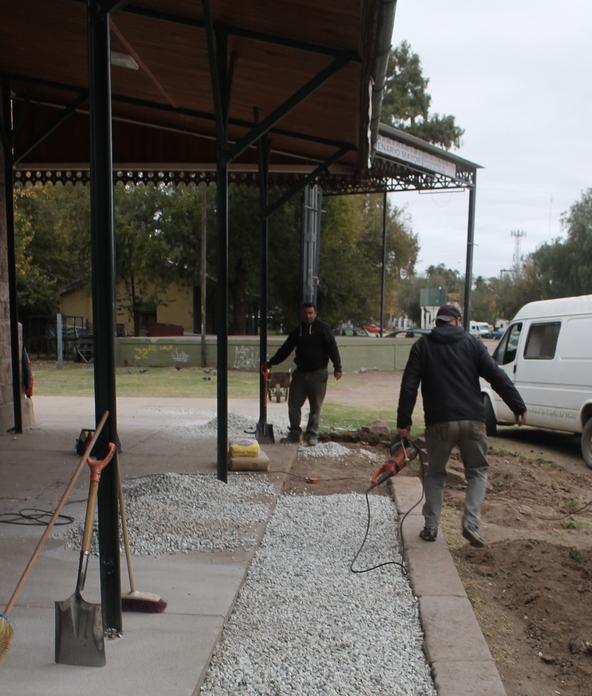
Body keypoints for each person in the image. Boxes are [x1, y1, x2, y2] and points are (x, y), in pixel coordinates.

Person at [396, 304, 527, 547]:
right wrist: (517, 404)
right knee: (477, 472)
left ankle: (431, 527)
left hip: (439, 422)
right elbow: (496, 375)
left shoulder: (422, 347)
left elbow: (409, 386)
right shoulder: (472, 343)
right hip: (473, 420)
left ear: (439, 322)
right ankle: (471, 524)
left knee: (435, 473)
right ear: (457, 321)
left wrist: (403, 421)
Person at [264, 302, 342, 446]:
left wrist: (338, 367)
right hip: (300, 374)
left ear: (315, 313)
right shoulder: (297, 331)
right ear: (302, 313)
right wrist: (271, 362)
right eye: (306, 313)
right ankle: (294, 434)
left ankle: (312, 435)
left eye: (311, 313)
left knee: (315, 406)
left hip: (318, 374)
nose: (308, 316)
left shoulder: (323, 329)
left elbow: (333, 348)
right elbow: (285, 349)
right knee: (293, 404)